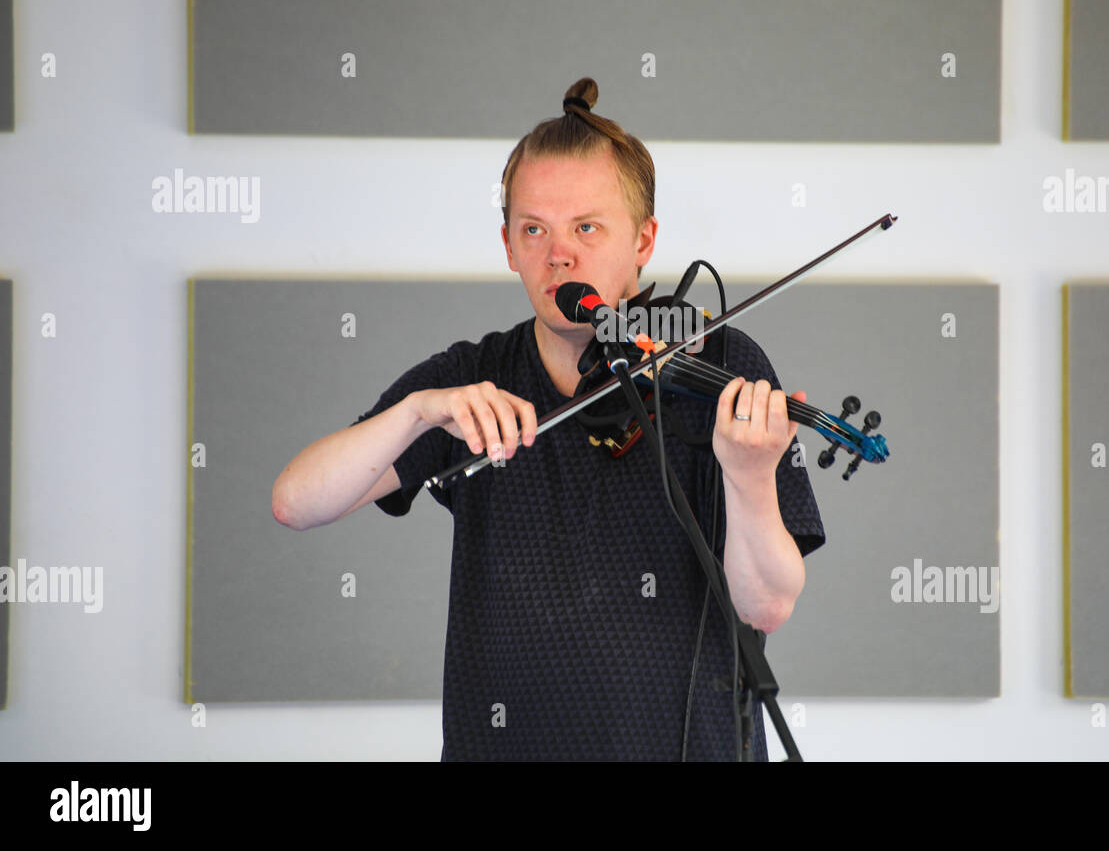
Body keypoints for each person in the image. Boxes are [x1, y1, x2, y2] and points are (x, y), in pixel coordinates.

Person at [272, 78, 825, 760]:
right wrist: (417, 412)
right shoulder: (471, 379)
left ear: (644, 240)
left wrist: (748, 475)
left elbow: (765, 608)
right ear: (508, 245)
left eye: (586, 228)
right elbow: (296, 503)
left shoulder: (718, 361)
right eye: (533, 229)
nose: (557, 254)